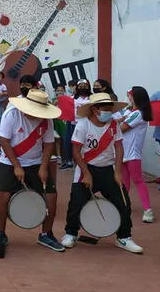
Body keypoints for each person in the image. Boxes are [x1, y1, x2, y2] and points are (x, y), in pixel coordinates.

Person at [60, 93, 143, 253]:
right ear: (94, 110)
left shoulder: (113, 125)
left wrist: (118, 172)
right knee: (76, 204)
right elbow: (76, 151)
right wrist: (86, 173)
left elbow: (119, 147)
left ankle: (124, 237)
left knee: (124, 202)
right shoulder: (83, 125)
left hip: (107, 170)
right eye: (105, 109)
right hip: (86, 169)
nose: (109, 113)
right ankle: (70, 233)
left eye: (110, 109)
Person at [0, 89, 64, 252]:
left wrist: (44, 167)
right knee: (0, 196)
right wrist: (17, 166)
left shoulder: (47, 119)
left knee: (51, 196)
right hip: (9, 162)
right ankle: (0, 233)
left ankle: (46, 234)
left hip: (36, 162)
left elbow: (48, 144)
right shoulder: (11, 114)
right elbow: (3, 141)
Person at [120, 86, 154, 223]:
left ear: (135, 97)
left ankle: (148, 210)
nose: (128, 98)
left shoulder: (138, 114)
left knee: (138, 181)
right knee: (124, 182)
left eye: (130, 95)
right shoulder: (131, 112)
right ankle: (123, 205)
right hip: (123, 152)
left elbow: (122, 128)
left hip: (132, 153)